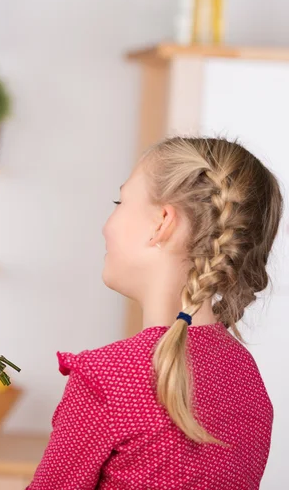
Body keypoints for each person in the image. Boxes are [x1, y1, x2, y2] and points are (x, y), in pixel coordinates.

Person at [29, 137, 283, 489]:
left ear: (162, 222)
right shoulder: (244, 376)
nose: (106, 225)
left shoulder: (107, 379)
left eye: (120, 201)